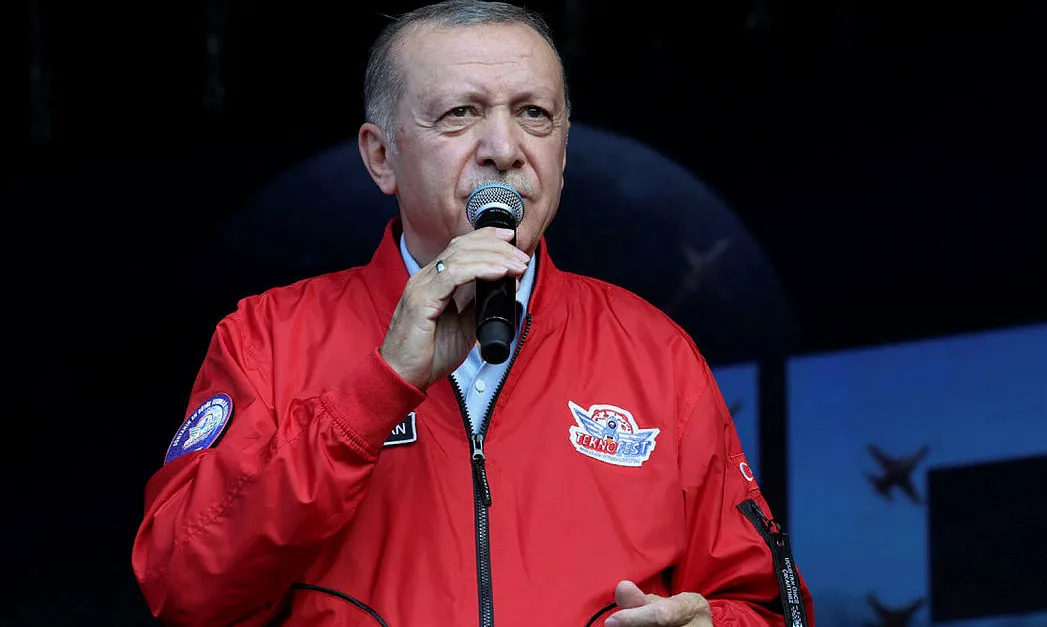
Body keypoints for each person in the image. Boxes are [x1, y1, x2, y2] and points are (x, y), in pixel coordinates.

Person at [131, 1, 814, 626]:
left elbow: (770, 605)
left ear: (563, 151)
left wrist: (713, 625)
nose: (504, 148)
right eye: (460, 113)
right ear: (381, 156)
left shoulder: (654, 351)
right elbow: (181, 585)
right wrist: (376, 389)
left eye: (534, 114)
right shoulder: (270, 339)